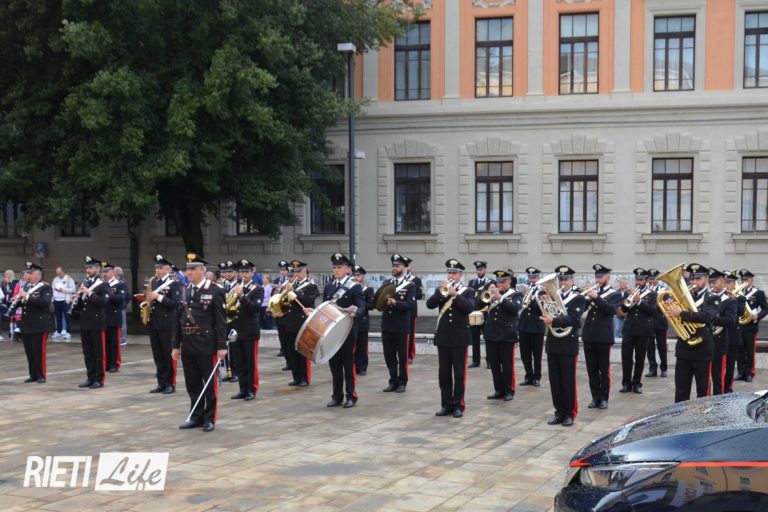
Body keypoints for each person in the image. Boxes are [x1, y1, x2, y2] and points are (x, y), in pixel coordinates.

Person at [174, 253, 228, 432]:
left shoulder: (215, 290)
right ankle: (195, 416)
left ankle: (209, 418)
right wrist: (175, 345)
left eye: (192, 269)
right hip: (188, 343)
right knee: (192, 383)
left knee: (209, 384)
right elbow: (178, 320)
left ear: (202, 270)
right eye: (187, 269)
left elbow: (221, 321)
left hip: (207, 343)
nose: (188, 272)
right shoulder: (184, 290)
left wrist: (222, 345)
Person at [426, 259, 477, 418]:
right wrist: (440, 293)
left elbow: (469, 308)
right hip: (443, 337)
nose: (451, 276)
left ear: (460, 275)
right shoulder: (442, 289)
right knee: (444, 374)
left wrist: (455, 295)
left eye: (454, 273)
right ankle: (446, 405)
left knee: (459, 374)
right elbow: (429, 304)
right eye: (449, 273)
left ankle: (458, 405)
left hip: (459, 338)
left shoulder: (468, 291)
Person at [665, 263, 719, 403]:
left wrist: (681, 313)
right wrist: (671, 309)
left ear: (706, 279)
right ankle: (680, 415)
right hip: (684, 349)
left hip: (702, 350)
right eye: (693, 279)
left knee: (703, 390)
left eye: (698, 279)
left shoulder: (712, 297)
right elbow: (676, 318)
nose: (694, 282)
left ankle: (703, 415)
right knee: (681, 389)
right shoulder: (683, 296)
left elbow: (708, 317)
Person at [541, 266, 586, 427]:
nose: (562, 282)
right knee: (555, 381)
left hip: (568, 344)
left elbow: (574, 320)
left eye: (566, 279)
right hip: (553, 343)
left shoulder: (578, 298)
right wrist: (543, 299)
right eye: (560, 279)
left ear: (572, 280)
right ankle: (559, 412)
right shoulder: (553, 296)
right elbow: (542, 312)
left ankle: (569, 413)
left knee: (568, 381)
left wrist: (553, 321)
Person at [320, 253, 364, 408]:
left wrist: (355, 312)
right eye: (334, 267)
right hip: (332, 332)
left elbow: (361, 306)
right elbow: (325, 307)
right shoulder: (329, 286)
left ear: (347, 269)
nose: (336, 270)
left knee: (348, 365)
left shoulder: (355, 286)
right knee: (335, 366)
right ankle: (337, 396)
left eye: (339, 267)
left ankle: (351, 396)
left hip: (347, 331)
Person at [581, 264, 622, 409]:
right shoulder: (592, 291)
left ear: (608, 277)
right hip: (589, 334)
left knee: (603, 370)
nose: (598, 279)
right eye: (596, 277)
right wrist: (584, 297)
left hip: (603, 336)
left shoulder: (615, 294)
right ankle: (595, 398)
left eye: (601, 277)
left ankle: (604, 398)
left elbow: (611, 310)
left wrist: (596, 297)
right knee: (591, 370)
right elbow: (582, 309)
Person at [483, 270, 523, 402]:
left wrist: (500, 298)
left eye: (502, 281)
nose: (499, 284)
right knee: (494, 365)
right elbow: (479, 304)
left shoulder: (516, 294)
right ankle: (498, 390)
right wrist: (488, 293)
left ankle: (509, 390)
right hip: (491, 334)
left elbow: (515, 309)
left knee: (507, 365)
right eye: (498, 281)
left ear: (509, 281)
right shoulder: (492, 293)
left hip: (507, 335)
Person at [72, 256, 110, 389]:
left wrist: (89, 293)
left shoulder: (103, 285)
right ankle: (90, 377)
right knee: (88, 352)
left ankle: (99, 379)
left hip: (97, 323)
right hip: (85, 322)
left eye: (91, 268)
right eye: (87, 268)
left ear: (98, 269)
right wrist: (76, 298)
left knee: (99, 353)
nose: (88, 270)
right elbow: (82, 305)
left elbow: (103, 303)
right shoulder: (86, 283)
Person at [147, 254, 183, 394]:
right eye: (156, 267)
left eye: (160, 268)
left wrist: (159, 297)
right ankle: (161, 383)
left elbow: (176, 304)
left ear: (168, 269)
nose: (157, 270)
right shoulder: (154, 282)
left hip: (168, 323)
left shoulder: (175, 283)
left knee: (168, 355)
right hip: (155, 322)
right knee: (158, 355)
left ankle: (170, 383)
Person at [381, 254, 417, 393]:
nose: (395, 268)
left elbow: (409, 305)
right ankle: (393, 381)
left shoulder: (410, 286)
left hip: (401, 326)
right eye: (393, 266)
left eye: (397, 266)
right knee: (389, 356)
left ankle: (402, 382)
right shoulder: (386, 283)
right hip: (387, 324)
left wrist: (395, 303)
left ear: (404, 267)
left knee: (402, 356)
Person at [619, 268, 657, 395]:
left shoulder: (652, 294)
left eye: (641, 280)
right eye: (637, 280)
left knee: (640, 358)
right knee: (626, 358)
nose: (639, 282)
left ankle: (636, 383)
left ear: (646, 281)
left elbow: (653, 311)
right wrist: (629, 298)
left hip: (643, 330)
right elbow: (623, 310)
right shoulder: (629, 292)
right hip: (629, 329)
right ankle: (626, 383)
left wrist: (639, 301)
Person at [230, 259, 264, 401]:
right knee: (239, 363)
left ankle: (252, 389)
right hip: (236, 330)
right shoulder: (235, 287)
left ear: (252, 272)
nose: (244, 274)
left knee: (250, 363)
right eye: (241, 272)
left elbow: (255, 309)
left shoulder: (258, 289)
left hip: (250, 331)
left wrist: (242, 296)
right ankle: (242, 389)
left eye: (247, 272)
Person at [283, 260, 319, 387]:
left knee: (302, 351)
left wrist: (295, 292)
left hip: (302, 323)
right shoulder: (292, 284)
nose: (296, 274)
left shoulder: (311, 286)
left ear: (305, 272)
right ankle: (296, 377)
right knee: (292, 351)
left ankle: (304, 377)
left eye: (299, 271)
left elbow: (308, 301)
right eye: (294, 271)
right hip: (290, 322)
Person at [18, 262, 54, 384]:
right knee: (29, 351)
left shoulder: (45, 287)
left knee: (38, 351)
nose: (28, 275)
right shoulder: (27, 286)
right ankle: (33, 374)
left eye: (30, 273)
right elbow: (25, 304)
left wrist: (27, 297)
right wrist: (17, 301)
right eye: (28, 273)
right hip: (27, 323)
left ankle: (41, 375)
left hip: (39, 324)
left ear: (38, 275)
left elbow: (44, 302)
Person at [708, 268, 737, 396]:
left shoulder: (729, 300)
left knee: (718, 377)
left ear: (722, 282)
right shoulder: (707, 297)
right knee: (704, 378)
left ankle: (718, 402)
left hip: (719, 343)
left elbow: (730, 321)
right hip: (705, 341)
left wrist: (711, 317)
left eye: (714, 282)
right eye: (710, 282)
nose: (712, 285)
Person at [737, 269, 767, 382]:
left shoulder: (758, 293)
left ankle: (749, 373)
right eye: (742, 279)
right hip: (739, 326)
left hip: (751, 326)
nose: (744, 282)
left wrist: (758, 316)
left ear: (751, 280)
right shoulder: (739, 292)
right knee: (739, 350)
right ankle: (741, 372)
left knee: (750, 351)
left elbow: (766, 308)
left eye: (746, 279)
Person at [518, 267, 545, 387]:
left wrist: (532, 297)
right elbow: (519, 306)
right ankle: (528, 376)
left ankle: (537, 377)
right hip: (524, 326)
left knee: (537, 355)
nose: (531, 280)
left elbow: (541, 309)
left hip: (537, 326)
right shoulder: (523, 290)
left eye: (534, 277)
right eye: (529, 277)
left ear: (538, 278)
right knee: (525, 354)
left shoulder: (542, 291)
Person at [101, 261, 128, 373]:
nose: (104, 274)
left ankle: (114, 364)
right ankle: (106, 363)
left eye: (106, 271)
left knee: (114, 343)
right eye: (103, 271)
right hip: (103, 317)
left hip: (114, 317)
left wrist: (108, 292)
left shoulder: (120, 284)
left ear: (112, 272)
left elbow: (120, 299)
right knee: (105, 344)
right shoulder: (101, 284)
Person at [724, 270, 747, 393]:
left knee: (730, 365)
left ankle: (728, 388)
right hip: (719, 335)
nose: (726, 285)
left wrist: (732, 300)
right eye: (725, 282)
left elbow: (741, 312)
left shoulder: (740, 298)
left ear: (734, 284)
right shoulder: (718, 296)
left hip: (732, 335)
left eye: (729, 282)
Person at [467, 260, 491, 368]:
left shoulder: (490, 282)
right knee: (474, 338)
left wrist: (489, 306)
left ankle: (489, 361)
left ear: (485, 269)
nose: (479, 271)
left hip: (485, 313)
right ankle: (476, 361)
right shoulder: (471, 282)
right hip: (474, 313)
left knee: (488, 338)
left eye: (481, 269)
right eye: (477, 270)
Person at [645, 269, 668, 378]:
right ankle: (652, 368)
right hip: (648, 322)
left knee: (662, 347)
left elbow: (666, 305)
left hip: (660, 321)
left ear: (658, 280)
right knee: (649, 347)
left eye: (654, 279)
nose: (652, 281)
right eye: (650, 279)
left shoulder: (663, 290)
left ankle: (664, 368)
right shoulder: (645, 290)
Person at [218, 261, 239, 382]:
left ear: (236, 273)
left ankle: (236, 372)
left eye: (230, 271)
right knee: (226, 346)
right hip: (224, 319)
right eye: (226, 271)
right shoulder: (224, 285)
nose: (227, 274)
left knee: (235, 348)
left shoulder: (239, 285)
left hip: (235, 320)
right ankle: (229, 371)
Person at [353, 265, 374, 376]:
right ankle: (352, 365)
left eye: (358, 275)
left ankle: (362, 367)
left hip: (363, 320)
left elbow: (371, 305)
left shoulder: (368, 289)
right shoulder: (350, 288)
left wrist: (361, 304)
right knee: (352, 345)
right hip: (352, 319)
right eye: (354, 275)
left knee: (362, 345)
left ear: (363, 276)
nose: (356, 277)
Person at [403, 258, 423, 364]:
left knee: (410, 334)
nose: (406, 268)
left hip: (411, 310)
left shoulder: (416, 280)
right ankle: (401, 354)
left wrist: (410, 290)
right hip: (400, 309)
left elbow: (419, 295)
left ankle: (410, 355)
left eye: (407, 266)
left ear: (410, 267)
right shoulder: (398, 280)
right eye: (404, 266)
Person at [273, 261, 292, 369]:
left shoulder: (290, 282)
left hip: (287, 314)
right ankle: (286, 358)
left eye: (284, 270)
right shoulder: (277, 281)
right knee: (282, 338)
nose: (282, 272)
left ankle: (290, 362)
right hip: (278, 313)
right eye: (281, 270)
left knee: (289, 340)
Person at [51, 267, 76, 340]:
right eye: (57, 273)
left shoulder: (69, 279)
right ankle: (58, 331)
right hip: (56, 300)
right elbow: (52, 288)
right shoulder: (55, 279)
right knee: (57, 317)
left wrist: (63, 290)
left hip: (65, 301)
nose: (59, 275)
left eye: (60, 273)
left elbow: (73, 289)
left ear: (63, 271)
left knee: (67, 317)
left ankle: (68, 332)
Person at [114, 266, 129, 346]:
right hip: (116, 306)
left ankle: (123, 339)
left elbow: (128, 295)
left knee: (122, 322)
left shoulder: (122, 282)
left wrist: (124, 304)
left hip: (121, 306)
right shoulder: (115, 281)